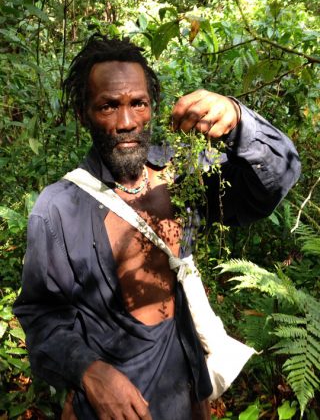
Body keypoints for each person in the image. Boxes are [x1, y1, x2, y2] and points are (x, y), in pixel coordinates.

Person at [14, 34, 300, 420]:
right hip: (112, 410)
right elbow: (41, 313)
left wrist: (238, 120)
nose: (126, 121)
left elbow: (274, 182)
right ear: (84, 114)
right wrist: (90, 372)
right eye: (108, 106)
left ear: (152, 107)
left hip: (188, 397)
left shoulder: (183, 177)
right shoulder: (59, 209)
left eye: (138, 103)